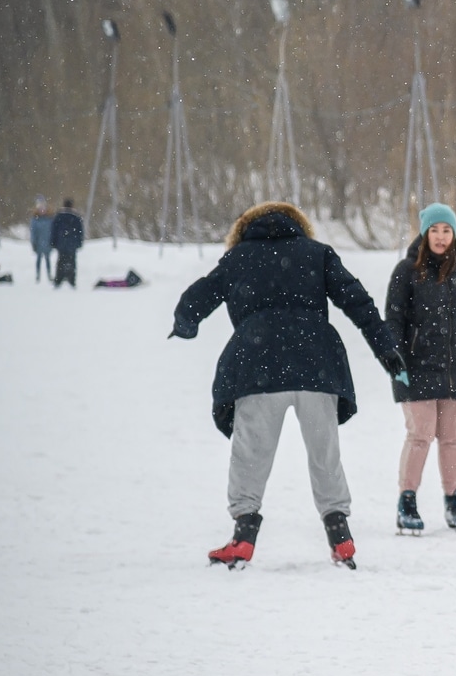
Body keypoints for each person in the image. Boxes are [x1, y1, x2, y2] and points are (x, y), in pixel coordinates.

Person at [171, 201, 406, 570]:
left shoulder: (239, 257)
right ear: (299, 226)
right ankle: (340, 535)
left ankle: (243, 535)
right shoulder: (316, 254)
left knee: (251, 452)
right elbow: (358, 302)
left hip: (258, 364)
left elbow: (197, 297)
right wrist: (386, 349)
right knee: (324, 452)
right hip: (317, 365)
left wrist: (185, 323)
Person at [383, 203, 456, 535]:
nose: (441, 237)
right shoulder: (406, 271)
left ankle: (454, 500)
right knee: (420, 435)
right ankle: (407, 501)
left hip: (454, 369)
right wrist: (395, 362)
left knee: (452, 439)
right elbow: (394, 321)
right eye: (435, 230)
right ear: (424, 233)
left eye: (447, 230)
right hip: (416, 368)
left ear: (454, 234)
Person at [51, 198, 84, 289]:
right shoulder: (76, 217)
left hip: (61, 243)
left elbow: (54, 230)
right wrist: (79, 242)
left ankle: (59, 279)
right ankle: (71, 279)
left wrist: (53, 242)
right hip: (72, 244)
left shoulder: (59, 217)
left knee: (61, 261)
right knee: (72, 262)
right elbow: (80, 231)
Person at [29, 197, 54, 282]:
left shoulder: (50, 219)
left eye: (43, 208)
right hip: (39, 243)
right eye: (40, 208)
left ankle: (49, 274)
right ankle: (38, 275)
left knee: (48, 259)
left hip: (48, 243)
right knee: (38, 259)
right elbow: (33, 232)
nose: (42, 210)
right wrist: (33, 242)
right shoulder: (35, 220)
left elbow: (52, 231)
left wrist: (52, 242)